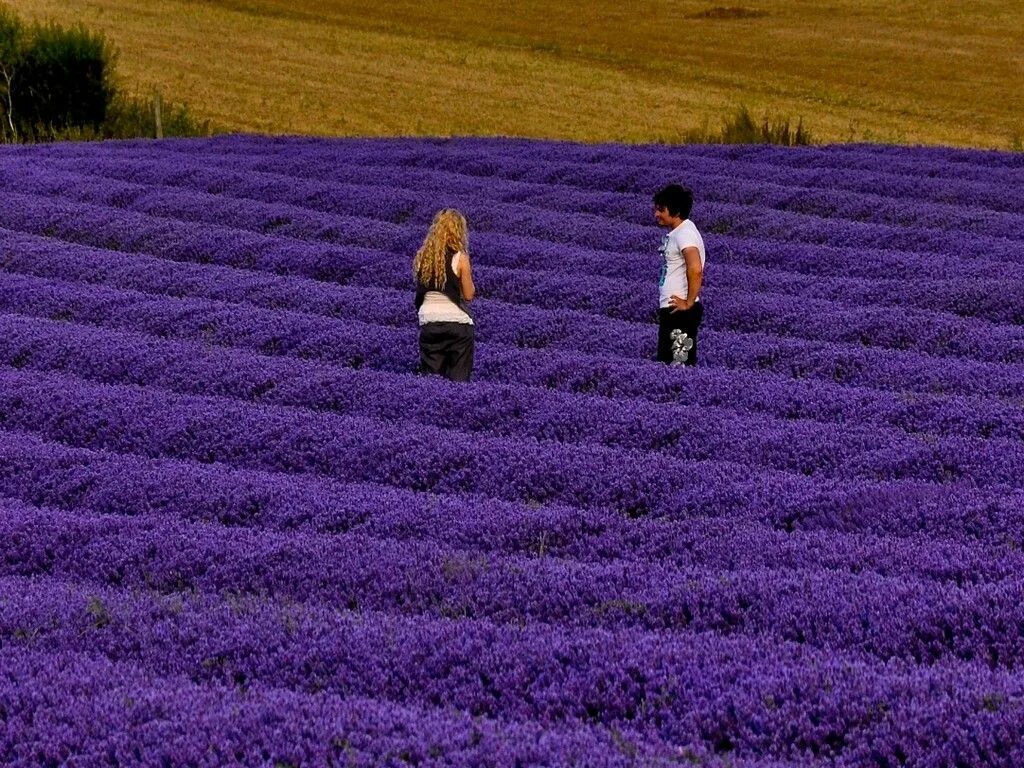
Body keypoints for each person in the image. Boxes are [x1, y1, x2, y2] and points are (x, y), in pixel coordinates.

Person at [413, 208, 476, 381]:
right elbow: (469, 295)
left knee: (431, 380)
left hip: (429, 323)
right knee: (459, 381)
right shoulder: (460, 258)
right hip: (457, 326)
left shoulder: (422, 258)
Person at [653, 184, 706, 366]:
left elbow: (695, 268)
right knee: (668, 362)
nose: (656, 214)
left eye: (661, 209)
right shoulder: (679, 232)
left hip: (680, 311)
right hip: (673, 309)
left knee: (678, 364)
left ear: (675, 211)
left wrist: (689, 303)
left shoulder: (685, 234)